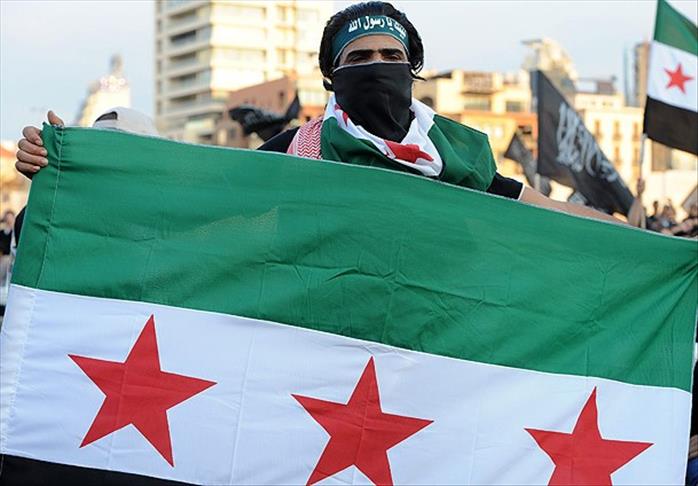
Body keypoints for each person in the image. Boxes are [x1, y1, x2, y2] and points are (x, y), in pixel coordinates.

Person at [15, 2, 620, 225]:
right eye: (360, 58)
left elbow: (536, 208)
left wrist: (629, 238)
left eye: (391, 57)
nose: (378, 67)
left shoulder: (457, 151)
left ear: (413, 70)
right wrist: (77, 167)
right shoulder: (297, 152)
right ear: (332, 77)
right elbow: (191, 196)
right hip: (330, 359)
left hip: (438, 355)